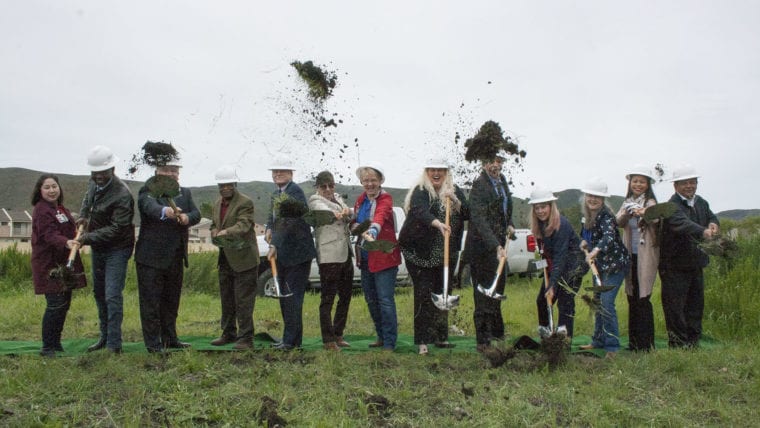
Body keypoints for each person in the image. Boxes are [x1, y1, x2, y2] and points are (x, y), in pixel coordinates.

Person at [399, 158, 469, 355]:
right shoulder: (420, 191)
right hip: (419, 252)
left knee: (443, 292)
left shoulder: (455, 190)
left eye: (440, 170)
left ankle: (441, 337)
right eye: (432, 170)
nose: (436, 173)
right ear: (426, 172)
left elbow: (468, 213)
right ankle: (422, 341)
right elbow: (419, 211)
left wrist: (455, 200)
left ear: (446, 172)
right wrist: (437, 223)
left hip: (446, 253)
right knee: (424, 294)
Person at [134, 159, 201, 353]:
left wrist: (188, 217)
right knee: (151, 303)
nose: (172, 174)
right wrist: (166, 211)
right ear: (157, 172)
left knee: (171, 301)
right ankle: (153, 344)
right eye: (167, 170)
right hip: (151, 258)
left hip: (175, 256)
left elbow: (196, 213)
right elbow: (149, 208)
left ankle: (170, 339)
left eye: (175, 170)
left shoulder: (184, 193)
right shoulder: (148, 191)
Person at [77, 145, 135, 354]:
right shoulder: (93, 182)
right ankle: (104, 336)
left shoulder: (122, 194)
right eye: (95, 172)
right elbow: (87, 198)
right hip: (99, 246)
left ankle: (114, 343)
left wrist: (87, 237)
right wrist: (83, 215)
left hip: (117, 248)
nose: (99, 176)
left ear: (112, 169)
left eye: (103, 172)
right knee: (99, 292)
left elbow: (118, 229)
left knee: (112, 294)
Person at [659, 164, 719, 348]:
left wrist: (713, 224)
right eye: (685, 183)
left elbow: (711, 216)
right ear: (675, 186)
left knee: (695, 305)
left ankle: (694, 341)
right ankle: (678, 344)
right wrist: (704, 232)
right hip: (674, 265)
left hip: (696, 263)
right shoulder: (670, 206)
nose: (689, 186)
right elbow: (682, 224)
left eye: (693, 182)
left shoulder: (701, 202)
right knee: (675, 307)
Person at [463, 150, 515, 353]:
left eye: (498, 161)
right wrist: (496, 246)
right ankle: (483, 341)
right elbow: (479, 219)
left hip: (498, 246)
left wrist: (509, 224)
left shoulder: (501, 181)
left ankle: (497, 333)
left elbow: (503, 211)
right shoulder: (479, 185)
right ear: (483, 164)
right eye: (489, 161)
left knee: (498, 290)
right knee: (483, 295)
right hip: (481, 249)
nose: (494, 165)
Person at [31, 174, 87, 357]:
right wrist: (66, 242)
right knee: (55, 304)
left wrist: (78, 229)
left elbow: (69, 229)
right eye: (47, 187)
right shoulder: (41, 210)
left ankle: (56, 343)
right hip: (49, 265)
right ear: (40, 191)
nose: (52, 190)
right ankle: (47, 347)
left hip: (65, 262)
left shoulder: (61, 209)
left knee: (64, 303)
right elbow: (48, 235)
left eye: (54, 186)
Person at [265, 157, 316, 351]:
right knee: (285, 296)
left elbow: (289, 220)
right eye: (275, 171)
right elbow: (273, 217)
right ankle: (290, 340)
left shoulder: (295, 191)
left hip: (297, 254)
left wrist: (274, 244)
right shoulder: (275, 193)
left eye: (282, 171)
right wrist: (269, 227)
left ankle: (291, 341)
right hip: (284, 254)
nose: (278, 174)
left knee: (292, 297)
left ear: (291, 174)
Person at [353, 163, 402, 351]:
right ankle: (381, 336)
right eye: (366, 180)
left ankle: (390, 342)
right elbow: (357, 220)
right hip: (365, 257)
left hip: (384, 258)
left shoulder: (386, 198)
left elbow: (380, 215)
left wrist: (374, 229)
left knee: (385, 300)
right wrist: (352, 223)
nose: (370, 184)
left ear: (380, 181)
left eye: (373, 180)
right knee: (371, 300)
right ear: (361, 182)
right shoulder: (360, 200)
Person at [209, 165, 259, 350]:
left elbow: (244, 225)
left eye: (229, 184)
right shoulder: (216, 204)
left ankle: (246, 338)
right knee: (227, 298)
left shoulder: (245, 202)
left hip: (244, 259)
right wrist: (214, 230)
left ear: (235, 183)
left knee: (244, 301)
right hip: (225, 258)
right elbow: (214, 223)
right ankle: (228, 333)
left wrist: (225, 232)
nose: (225, 188)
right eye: (222, 185)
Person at [578, 178, 630, 357]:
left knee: (607, 304)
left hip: (614, 266)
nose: (592, 199)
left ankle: (612, 346)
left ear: (603, 199)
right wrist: (583, 242)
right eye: (590, 195)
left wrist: (596, 250)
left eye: (597, 197)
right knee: (598, 302)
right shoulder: (586, 216)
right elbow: (583, 234)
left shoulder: (607, 216)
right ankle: (598, 340)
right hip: (598, 267)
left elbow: (608, 237)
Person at [528, 187, 587, 340]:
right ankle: (547, 337)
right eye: (537, 208)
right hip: (555, 265)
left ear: (551, 206)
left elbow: (560, 257)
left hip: (573, 265)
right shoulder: (539, 225)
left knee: (565, 301)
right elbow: (544, 253)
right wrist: (544, 270)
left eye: (543, 207)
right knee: (542, 300)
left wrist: (552, 285)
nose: (540, 211)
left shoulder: (562, 225)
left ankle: (564, 341)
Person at [308, 171, 354, 351]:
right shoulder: (314, 201)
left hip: (345, 253)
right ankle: (328, 339)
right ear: (317, 188)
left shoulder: (338, 198)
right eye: (323, 186)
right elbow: (326, 212)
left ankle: (338, 333)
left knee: (346, 296)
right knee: (328, 298)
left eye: (331, 185)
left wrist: (348, 212)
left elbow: (349, 213)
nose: (328, 189)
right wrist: (345, 212)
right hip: (328, 256)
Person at [615, 166, 659, 352]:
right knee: (631, 295)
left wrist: (644, 213)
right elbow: (617, 222)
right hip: (630, 255)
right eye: (635, 181)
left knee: (643, 297)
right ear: (630, 183)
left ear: (648, 184)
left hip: (646, 255)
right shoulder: (627, 202)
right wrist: (627, 211)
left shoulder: (651, 202)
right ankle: (633, 342)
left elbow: (657, 220)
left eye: (642, 181)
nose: (638, 184)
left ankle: (646, 344)